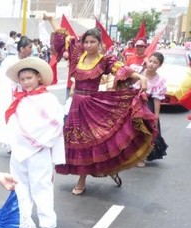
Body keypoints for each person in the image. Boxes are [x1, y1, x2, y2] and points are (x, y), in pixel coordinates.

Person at [45, 14, 157, 195]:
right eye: (86, 42)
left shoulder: (105, 60)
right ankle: (83, 173)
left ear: (99, 44)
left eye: (92, 42)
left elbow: (121, 69)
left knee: (95, 140)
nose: (88, 45)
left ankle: (83, 178)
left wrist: (141, 77)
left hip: (93, 104)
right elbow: (64, 37)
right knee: (75, 141)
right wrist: (51, 19)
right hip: (76, 105)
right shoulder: (78, 55)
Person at [5, 57, 65, 228]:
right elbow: (13, 122)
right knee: (20, 185)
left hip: (39, 150)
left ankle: (48, 221)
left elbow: (54, 124)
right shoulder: (19, 99)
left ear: (38, 77)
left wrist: (39, 142)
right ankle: (23, 219)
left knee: (41, 185)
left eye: (29, 78)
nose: (25, 82)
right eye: (22, 79)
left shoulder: (48, 99)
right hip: (19, 150)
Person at [0, 36, 33, 149]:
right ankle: (14, 143)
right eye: (29, 47)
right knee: (12, 119)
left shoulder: (30, 62)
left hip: (25, 95)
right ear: (22, 49)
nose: (31, 50)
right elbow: (4, 78)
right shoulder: (9, 61)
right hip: (11, 95)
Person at [133, 52, 168, 166]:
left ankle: (142, 156)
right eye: (151, 61)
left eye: (155, 63)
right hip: (134, 104)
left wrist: (156, 115)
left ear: (160, 65)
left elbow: (157, 99)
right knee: (132, 131)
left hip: (148, 107)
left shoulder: (160, 80)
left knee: (146, 132)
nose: (152, 64)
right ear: (147, 61)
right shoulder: (138, 72)